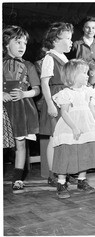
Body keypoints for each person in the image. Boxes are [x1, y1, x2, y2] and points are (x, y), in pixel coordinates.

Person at [52, 59, 95, 199]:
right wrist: (74, 127)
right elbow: (64, 113)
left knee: (84, 152)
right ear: (73, 75)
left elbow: (93, 111)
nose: (87, 76)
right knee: (66, 153)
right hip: (70, 127)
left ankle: (82, 180)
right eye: (84, 73)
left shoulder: (89, 91)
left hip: (86, 126)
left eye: (88, 73)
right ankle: (61, 182)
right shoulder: (66, 93)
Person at [3, 25, 40, 193]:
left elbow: (37, 89)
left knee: (21, 143)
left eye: (24, 43)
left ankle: (17, 179)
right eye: (17, 42)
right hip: (3, 108)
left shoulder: (29, 65)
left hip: (20, 108)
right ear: (6, 43)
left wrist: (25, 94)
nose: (22, 46)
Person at [39, 22, 74, 186]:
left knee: (65, 138)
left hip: (65, 101)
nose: (71, 41)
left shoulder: (65, 58)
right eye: (67, 38)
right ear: (55, 40)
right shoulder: (49, 58)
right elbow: (45, 84)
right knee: (55, 138)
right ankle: (53, 174)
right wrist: (51, 105)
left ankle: (64, 172)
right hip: (54, 100)